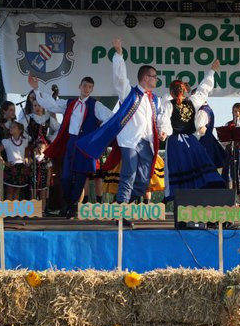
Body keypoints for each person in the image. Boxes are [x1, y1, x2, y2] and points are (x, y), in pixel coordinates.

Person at [76, 38, 163, 219]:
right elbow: (119, 78)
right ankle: (122, 211)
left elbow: (157, 119)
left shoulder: (153, 99)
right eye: (154, 76)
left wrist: (162, 130)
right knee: (129, 174)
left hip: (146, 142)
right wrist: (118, 55)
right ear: (146, 77)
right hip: (130, 141)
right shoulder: (129, 93)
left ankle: (121, 205)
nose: (156, 79)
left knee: (143, 179)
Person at [27, 73, 115, 218]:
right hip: (72, 142)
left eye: (90, 87)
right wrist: (36, 89)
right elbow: (51, 104)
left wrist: (97, 135)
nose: (87, 89)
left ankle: (73, 205)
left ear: (92, 90)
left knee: (80, 175)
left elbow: (110, 117)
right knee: (65, 176)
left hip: (85, 143)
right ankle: (68, 202)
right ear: (79, 87)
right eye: (85, 85)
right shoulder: (70, 103)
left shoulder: (95, 105)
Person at [160, 61, 225, 200]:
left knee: (179, 170)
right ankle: (197, 203)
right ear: (184, 91)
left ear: (171, 92)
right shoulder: (193, 102)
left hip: (175, 142)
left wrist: (163, 132)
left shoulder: (168, 104)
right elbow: (203, 89)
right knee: (196, 169)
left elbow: (164, 120)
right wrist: (211, 71)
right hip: (191, 141)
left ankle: (182, 203)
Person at [0, 121, 31, 200]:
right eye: (11, 127)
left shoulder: (24, 141)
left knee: (17, 191)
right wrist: (4, 163)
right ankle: (9, 211)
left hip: (21, 168)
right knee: (10, 191)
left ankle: (15, 210)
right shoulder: (7, 141)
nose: (11, 128)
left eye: (14, 127)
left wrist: (26, 158)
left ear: (20, 130)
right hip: (11, 167)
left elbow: (27, 151)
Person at [197, 102, 227, 170]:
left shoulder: (202, 111)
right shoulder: (208, 109)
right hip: (208, 142)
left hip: (202, 144)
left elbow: (200, 130)